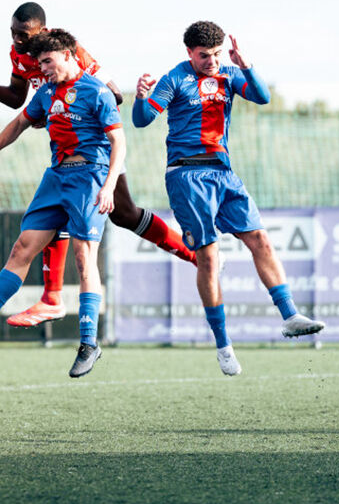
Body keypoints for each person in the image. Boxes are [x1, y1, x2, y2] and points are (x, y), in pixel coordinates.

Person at [0, 2, 196, 327]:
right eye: (13, 33)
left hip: (99, 151)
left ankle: (194, 255)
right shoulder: (20, 56)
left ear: (43, 32)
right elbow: (18, 100)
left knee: (125, 215)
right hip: (65, 155)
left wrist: (68, 105)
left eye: (23, 34)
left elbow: (113, 95)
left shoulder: (71, 52)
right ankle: (51, 299)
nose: (16, 40)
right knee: (54, 218)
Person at [132, 21, 324, 376]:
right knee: (208, 256)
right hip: (186, 174)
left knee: (260, 239)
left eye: (217, 53)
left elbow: (262, 96)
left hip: (223, 172)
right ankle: (223, 345)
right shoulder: (175, 78)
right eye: (204, 55)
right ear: (189, 52)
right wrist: (142, 96)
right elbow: (143, 120)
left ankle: (290, 315)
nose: (212, 61)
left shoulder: (230, 74)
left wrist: (246, 64)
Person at [0, 28, 124, 378]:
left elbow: (119, 141)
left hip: (90, 177)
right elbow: (20, 121)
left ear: (69, 55)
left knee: (84, 258)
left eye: (48, 62)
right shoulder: (48, 93)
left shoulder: (96, 92)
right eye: (39, 64)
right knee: (22, 247)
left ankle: (89, 342)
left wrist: (110, 185)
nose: (44, 69)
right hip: (56, 177)